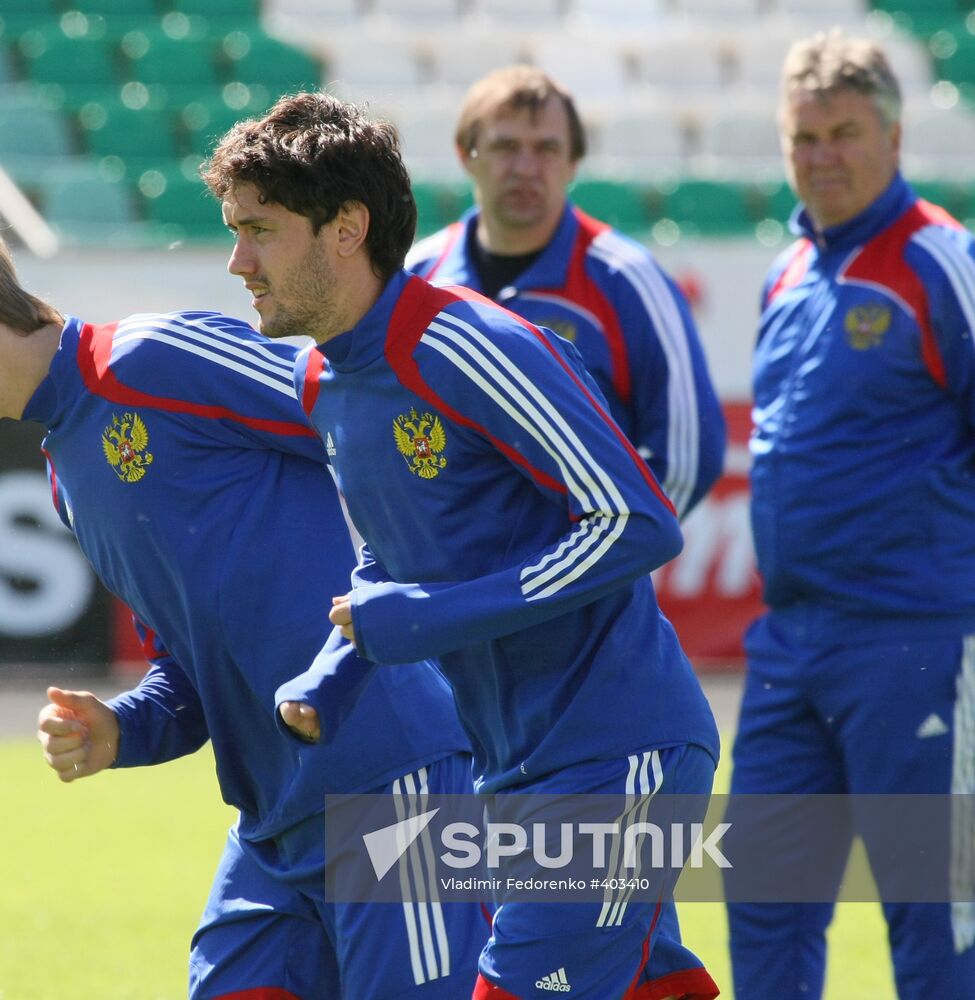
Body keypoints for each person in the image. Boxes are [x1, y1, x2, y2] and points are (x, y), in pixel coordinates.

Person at [0, 216, 489, 1000]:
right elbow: (188, 671)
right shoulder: (66, 472)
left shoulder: (154, 357)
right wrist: (122, 728)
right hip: (271, 825)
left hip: (393, 784)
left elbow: (374, 421)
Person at [203, 91, 720, 1000]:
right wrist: (335, 673)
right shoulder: (322, 377)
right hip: (506, 766)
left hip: (614, 752)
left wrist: (431, 617)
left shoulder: (468, 345)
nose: (238, 261)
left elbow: (639, 522)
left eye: (260, 231)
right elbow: (390, 562)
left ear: (344, 228)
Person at [723, 31, 975, 999]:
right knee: (765, 908)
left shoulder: (941, 261)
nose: (821, 155)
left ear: (895, 134)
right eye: (803, 137)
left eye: (844, 132)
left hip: (915, 642)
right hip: (788, 648)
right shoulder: (787, 273)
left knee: (936, 924)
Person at [406, 64, 725, 518]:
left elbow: (690, 456)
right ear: (465, 153)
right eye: (505, 146)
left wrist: (603, 555)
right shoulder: (416, 277)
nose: (525, 168)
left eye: (546, 149)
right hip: (453, 584)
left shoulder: (629, 279)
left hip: (585, 584)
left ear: (574, 161)